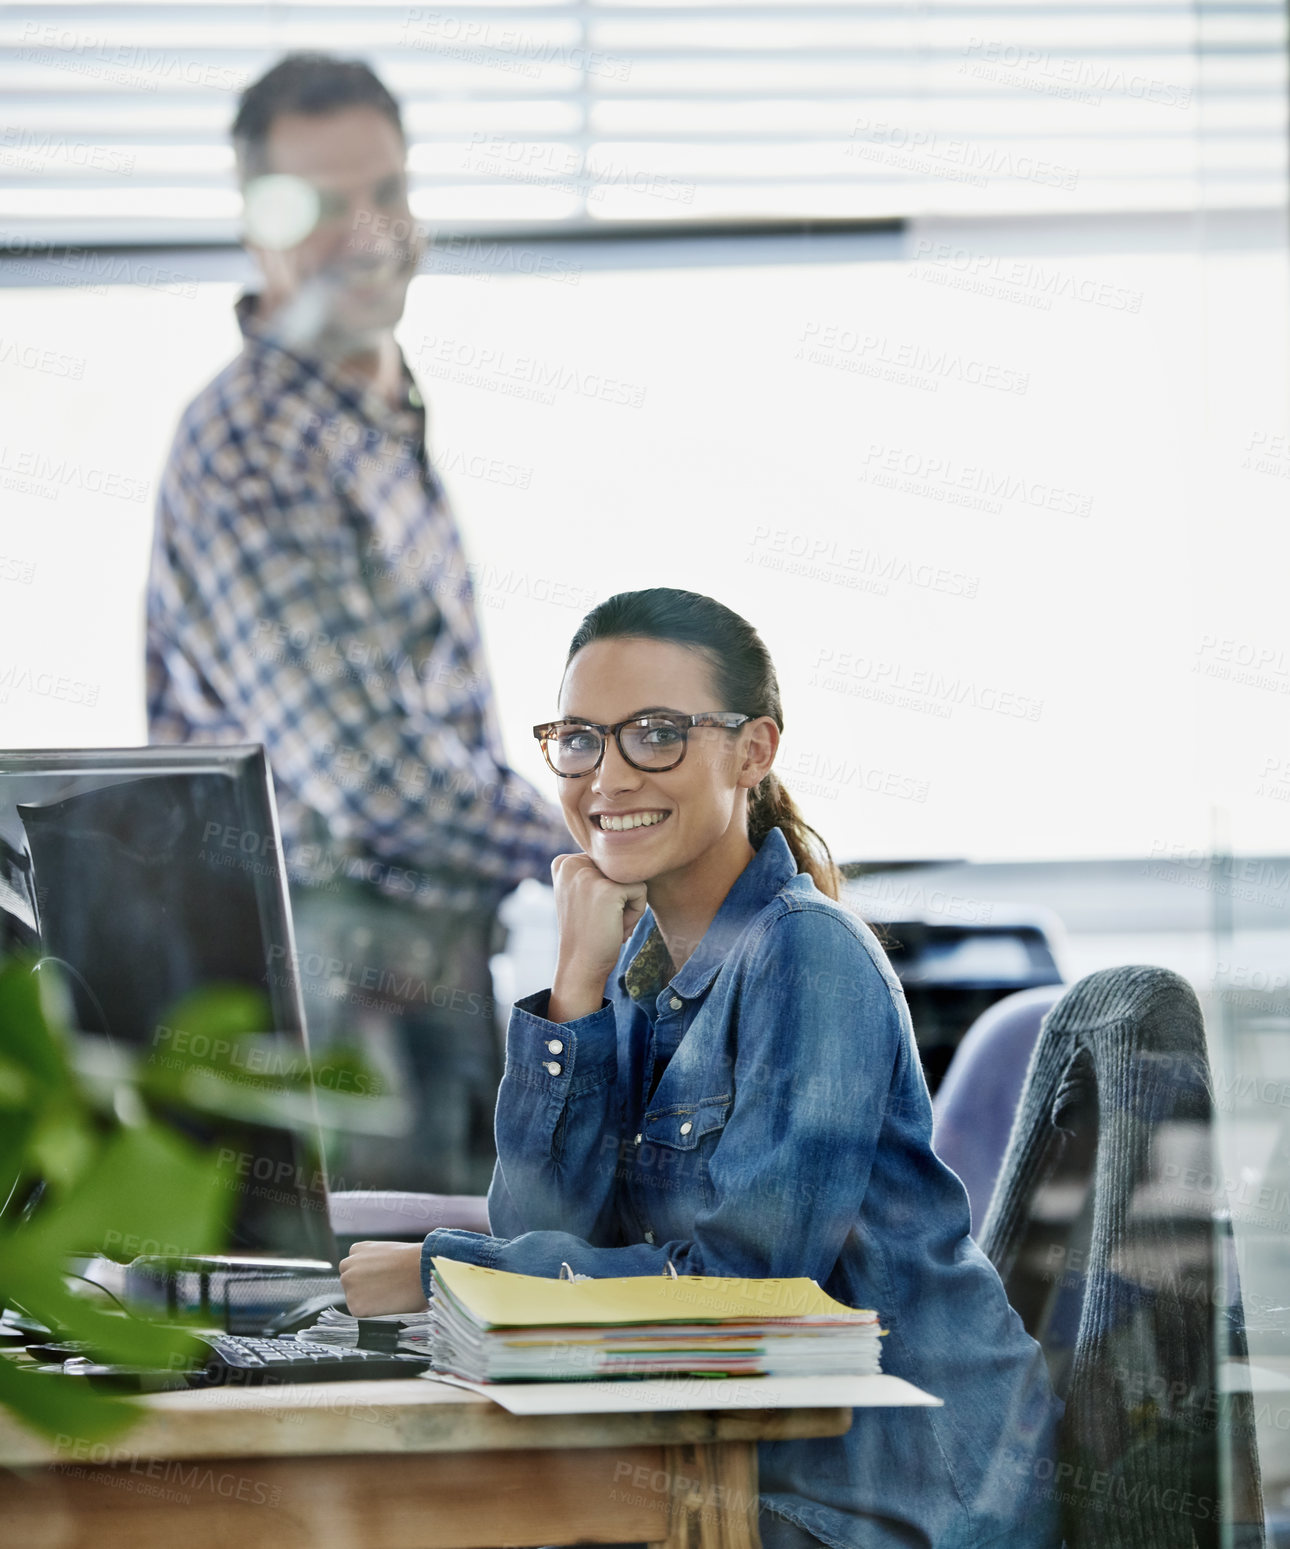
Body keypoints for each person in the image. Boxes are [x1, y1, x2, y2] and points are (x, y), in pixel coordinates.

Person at [340, 587, 1062, 1548]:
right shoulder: (642, 972)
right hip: (731, 1467)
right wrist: (574, 990)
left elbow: (739, 1294)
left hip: (892, 1500)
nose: (608, 776)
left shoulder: (809, 957)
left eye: (657, 734)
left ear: (753, 751)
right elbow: (542, 1226)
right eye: (582, 739)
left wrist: (441, 1271)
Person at [146, 53, 569, 1193]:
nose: (364, 231)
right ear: (252, 224)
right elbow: (370, 774)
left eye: (384, 191)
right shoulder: (251, 445)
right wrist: (593, 858)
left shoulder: (376, 405)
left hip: (438, 971)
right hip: (323, 1014)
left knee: (474, 1327)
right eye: (316, 207)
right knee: (366, 1344)